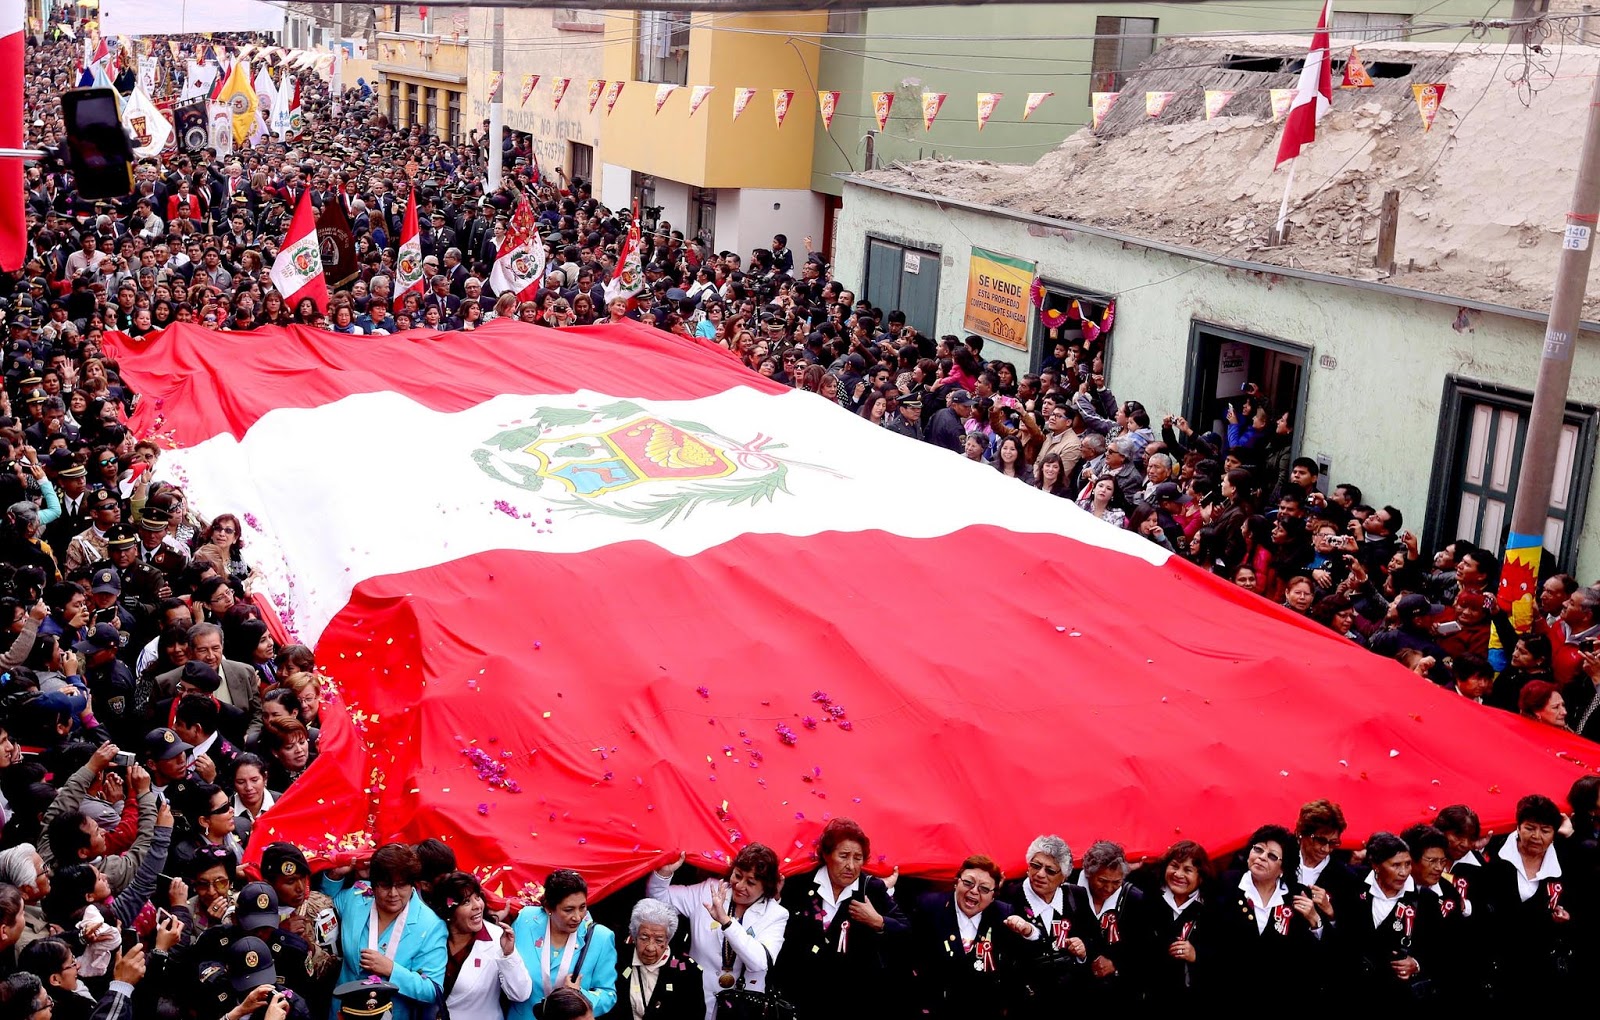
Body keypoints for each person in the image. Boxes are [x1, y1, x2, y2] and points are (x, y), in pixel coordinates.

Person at [775, 818, 906, 1018]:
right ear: (826, 855)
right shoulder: (799, 884)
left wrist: (878, 921)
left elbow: (906, 930)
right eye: (843, 856)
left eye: (858, 858)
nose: (851, 866)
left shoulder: (870, 889)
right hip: (798, 998)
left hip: (850, 1001)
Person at [646, 845, 786, 1014]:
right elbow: (659, 900)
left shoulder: (775, 914)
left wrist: (726, 922)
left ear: (766, 887)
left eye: (750, 882)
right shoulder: (709, 890)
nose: (739, 885)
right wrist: (664, 874)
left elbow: (759, 963)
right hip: (695, 1001)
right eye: (737, 875)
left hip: (740, 1010)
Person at [322, 843, 447, 1020]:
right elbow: (324, 902)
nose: (393, 893)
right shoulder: (357, 897)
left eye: (401, 885)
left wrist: (392, 970)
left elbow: (432, 990)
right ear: (373, 885)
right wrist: (335, 875)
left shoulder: (431, 925)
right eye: (385, 885)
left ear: (413, 884)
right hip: (343, 1013)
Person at [906, 854, 1036, 1019]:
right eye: (968, 883)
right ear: (956, 882)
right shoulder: (929, 906)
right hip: (936, 1012)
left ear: (993, 895)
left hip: (985, 1013)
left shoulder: (1004, 914)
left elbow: (1022, 961)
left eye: (984, 888)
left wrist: (1029, 931)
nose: (974, 891)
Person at [1207, 824, 1325, 1000]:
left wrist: (1315, 920)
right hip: (1228, 993)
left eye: (1272, 856)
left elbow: (1309, 955)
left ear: (1283, 868)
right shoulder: (1225, 883)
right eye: (1258, 849)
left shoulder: (1298, 895)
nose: (1261, 857)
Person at [1481, 794, 1578, 997]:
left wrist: (1568, 917)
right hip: (1494, 961)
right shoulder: (1493, 851)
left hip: (1543, 965)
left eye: (1545, 830)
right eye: (1530, 828)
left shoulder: (1567, 858)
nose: (1536, 836)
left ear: (1555, 833)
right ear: (1518, 827)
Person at [1333, 832, 1432, 1007]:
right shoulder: (1352, 886)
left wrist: (1416, 964)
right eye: (1396, 865)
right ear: (1376, 866)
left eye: (1407, 864)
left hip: (1398, 998)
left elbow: (1441, 947)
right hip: (1350, 993)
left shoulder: (1425, 899)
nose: (1403, 872)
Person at [507, 869, 616, 1019]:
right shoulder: (526, 920)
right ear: (549, 908)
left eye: (582, 907)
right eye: (568, 910)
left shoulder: (600, 937)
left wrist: (579, 995)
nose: (577, 917)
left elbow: (608, 994)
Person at [997, 835, 1086, 1016]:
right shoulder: (1008, 897)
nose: (1040, 874)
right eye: (1035, 865)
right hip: (1024, 1005)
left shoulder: (1077, 896)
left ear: (1064, 877)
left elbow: (1092, 937)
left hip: (1069, 1002)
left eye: (1050, 870)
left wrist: (1083, 951)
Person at [428, 872, 530, 1020]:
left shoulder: (498, 938)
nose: (477, 906)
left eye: (477, 897)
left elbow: (520, 994)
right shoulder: (431, 935)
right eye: (466, 902)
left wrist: (508, 955)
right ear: (449, 910)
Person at [1137, 840, 1208, 1006]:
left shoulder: (1210, 907)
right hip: (1148, 996)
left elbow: (1224, 952)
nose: (1178, 874)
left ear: (1200, 877)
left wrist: (1196, 954)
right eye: (1174, 866)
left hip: (1191, 999)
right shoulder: (1147, 896)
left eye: (1188, 870)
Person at [607, 899, 703, 1020]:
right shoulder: (617, 960)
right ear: (634, 936)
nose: (650, 948)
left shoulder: (688, 971)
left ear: (667, 940)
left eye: (659, 940)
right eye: (644, 938)